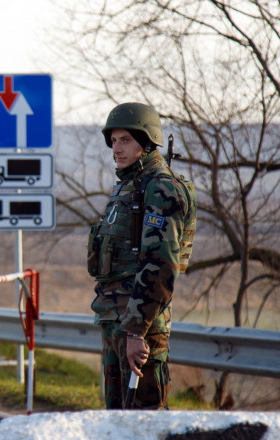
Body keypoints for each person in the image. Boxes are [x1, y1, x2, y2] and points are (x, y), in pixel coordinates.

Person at [87, 102, 197, 410]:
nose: (116, 148)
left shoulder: (161, 187)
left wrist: (136, 330)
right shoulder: (128, 186)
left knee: (144, 421)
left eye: (125, 140)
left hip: (140, 327)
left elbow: (160, 266)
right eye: (113, 140)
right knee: (117, 422)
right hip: (116, 321)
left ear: (146, 143)